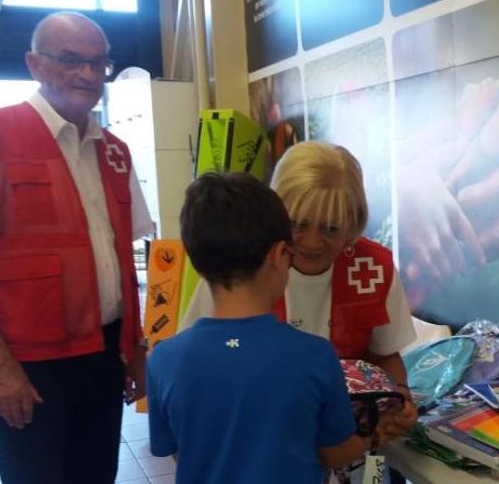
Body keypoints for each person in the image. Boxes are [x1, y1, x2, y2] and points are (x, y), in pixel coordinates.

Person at [0, 12, 153, 483]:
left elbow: (124, 261)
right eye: (70, 60)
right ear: (35, 64)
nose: (86, 74)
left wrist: (135, 347)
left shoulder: (115, 150)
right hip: (26, 366)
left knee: (96, 473)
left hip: (102, 355)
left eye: (97, 63)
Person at [148, 172, 380, 483]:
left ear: (193, 257)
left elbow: (177, 450)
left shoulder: (163, 360)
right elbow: (333, 452)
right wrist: (375, 436)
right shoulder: (314, 355)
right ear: (280, 255)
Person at [180, 140, 418, 440]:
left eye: (331, 229)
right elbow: (195, 357)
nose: (311, 242)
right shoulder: (242, 261)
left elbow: (386, 354)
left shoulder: (374, 267)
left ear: (353, 223)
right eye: (298, 224)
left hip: (349, 438)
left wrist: (402, 397)